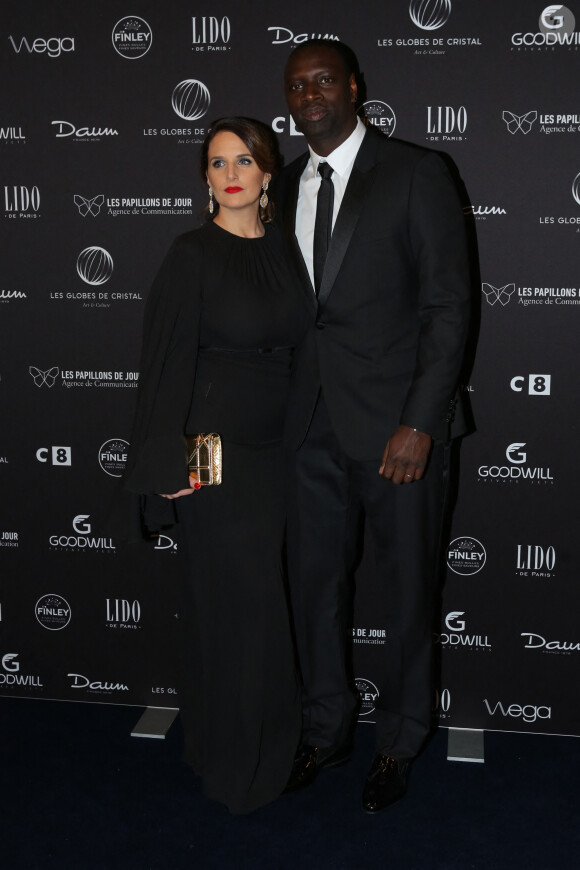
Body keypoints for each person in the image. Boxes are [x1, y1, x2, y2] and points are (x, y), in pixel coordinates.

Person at [277, 40, 472, 811]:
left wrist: (420, 423)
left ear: (354, 87)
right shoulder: (285, 181)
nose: (309, 93)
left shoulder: (418, 171)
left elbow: (448, 307)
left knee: (406, 596)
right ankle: (326, 729)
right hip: (308, 433)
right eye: (296, 85)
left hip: (399, 434)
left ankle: (399, 741)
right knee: (314, 590)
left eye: (323, 79)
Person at [123, 117, 309, 814]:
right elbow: (163, 363)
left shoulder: (291, 251)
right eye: (216, 162)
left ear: (267, 173)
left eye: (244, 160)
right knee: (242, 608)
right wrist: (168, 460)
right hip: (218, 461)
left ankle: (220, 738)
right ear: (205, 179)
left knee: (258, 605)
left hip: (284, 454)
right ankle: (240, 762)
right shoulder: (191, 255)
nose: (230, 172)